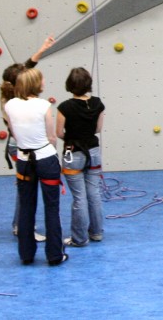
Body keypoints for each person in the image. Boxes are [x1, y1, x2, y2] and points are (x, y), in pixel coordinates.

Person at [5, 68, 66, 266]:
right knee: (52, 207)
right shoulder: (43, 105)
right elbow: (51, 137)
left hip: (24, 161)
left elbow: (13, 132)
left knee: (26, 207)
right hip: (45, 159)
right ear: (35, 84)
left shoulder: (10, 105)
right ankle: (55, 255)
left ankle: (26, 254)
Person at [0, 35, 55, 242]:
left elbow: (27, 65)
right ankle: (21, 226)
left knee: (24, 188)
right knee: (25, 190)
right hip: (25, 147)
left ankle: (20, 225)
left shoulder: (11, 95)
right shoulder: (14, 100)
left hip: (20, 146)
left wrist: (42, 48)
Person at [56, 67, 105, 247]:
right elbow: (98, 129)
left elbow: (59, 132)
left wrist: (72, 136)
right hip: (93, 152)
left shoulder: (64, 107)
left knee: (79, 197)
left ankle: (79, 238)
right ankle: (97, 232)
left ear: (70, 85)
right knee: (94, 193)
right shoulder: (98, 104)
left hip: (73, 153)